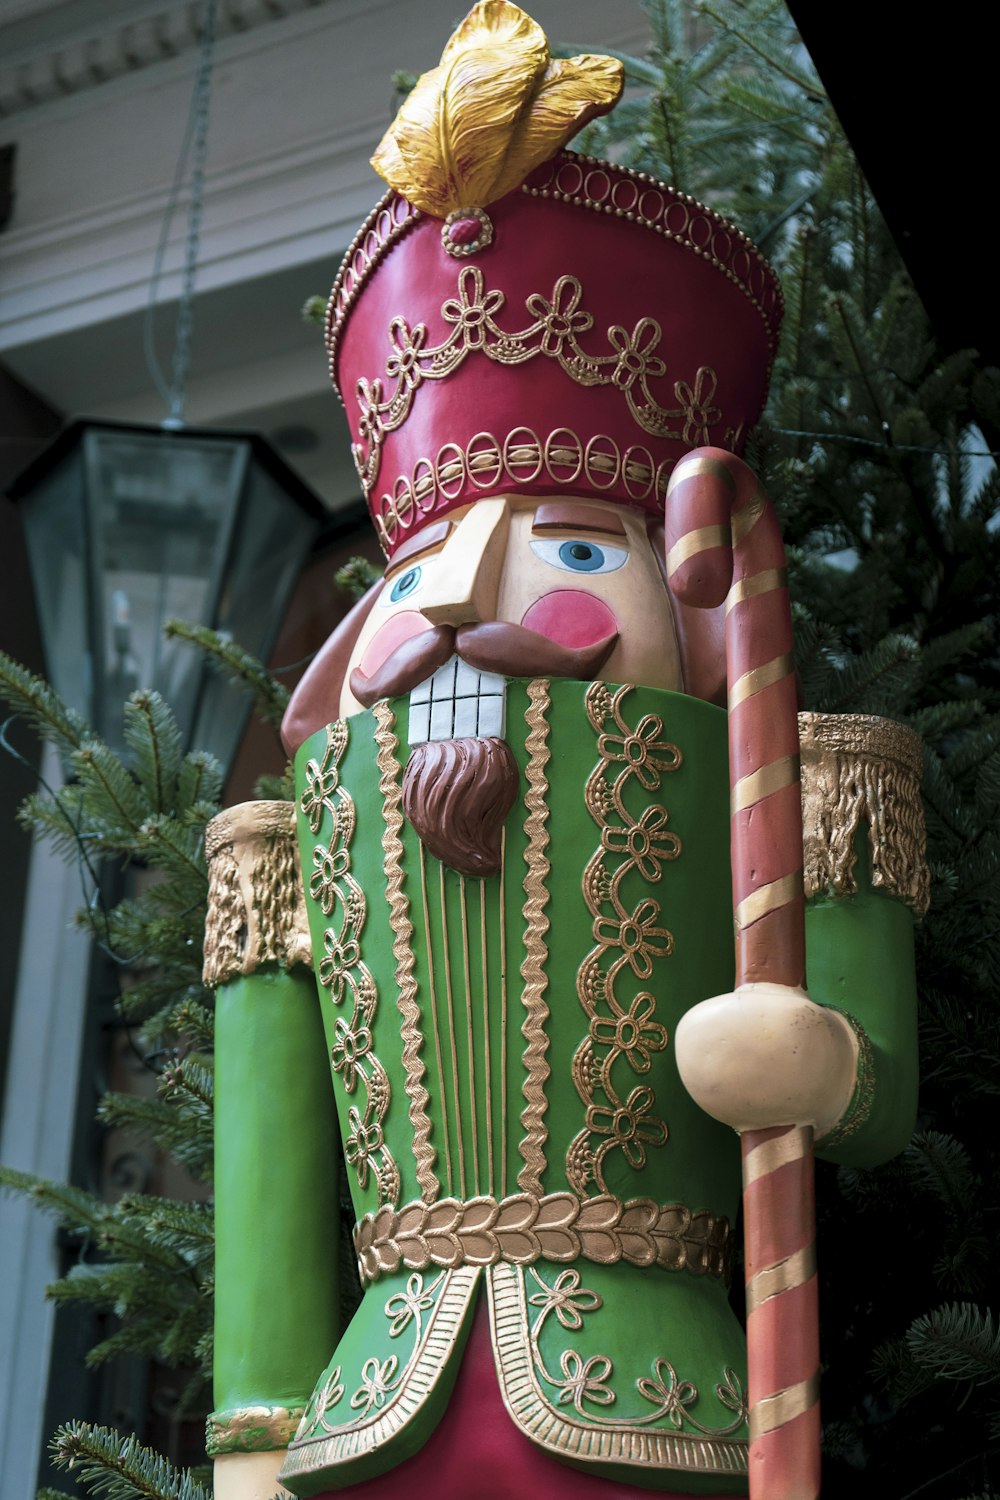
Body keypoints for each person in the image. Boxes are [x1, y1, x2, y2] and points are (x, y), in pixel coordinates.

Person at [203, 6, 927, 1497]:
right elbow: (270, 1171)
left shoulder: (805, 779)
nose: (460, 612)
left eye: (576, 553)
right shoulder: (293, 845)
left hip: (660, 1407)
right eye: (413, 581)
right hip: (367, 1423)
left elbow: (875, 1087)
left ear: (694, 609)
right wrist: (252, 1438)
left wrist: (823, 1061)